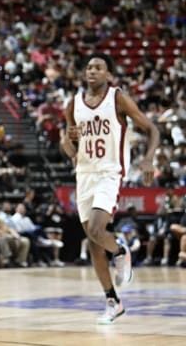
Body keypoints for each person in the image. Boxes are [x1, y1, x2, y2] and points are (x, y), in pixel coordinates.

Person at [61, 53, 159, 324]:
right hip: (84, 174)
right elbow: (69, 147)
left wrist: (148, 158)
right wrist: (69, 142)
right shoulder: (73, 104)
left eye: (98, 67)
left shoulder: (117, 98)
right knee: (93, 243)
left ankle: (120, 251)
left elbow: (152, 129)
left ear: (108, 74)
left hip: (109, 172)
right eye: (89, 67)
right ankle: (113, 302)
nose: (92, 71)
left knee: (95, 229)